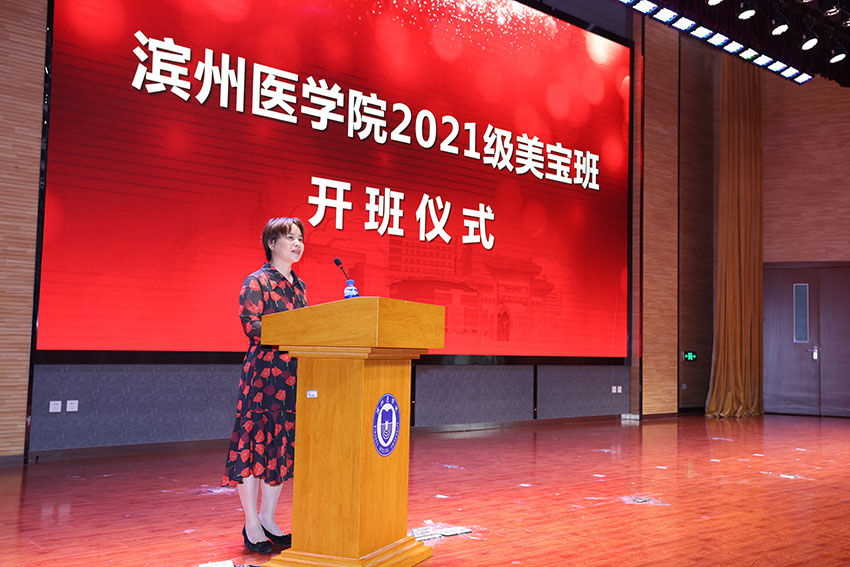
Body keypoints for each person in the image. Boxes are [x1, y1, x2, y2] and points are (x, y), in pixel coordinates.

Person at [221, 217, 308, 553]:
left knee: (279, 447)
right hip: (263, 375)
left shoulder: (299, 286)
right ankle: (252, 524)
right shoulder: (256, 281)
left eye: (300, 238)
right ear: (272, 243)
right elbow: (252, 325)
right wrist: (293, 332)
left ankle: (269, 519)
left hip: (291, 375)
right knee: (254, 445)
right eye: (290, 237)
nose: (297, 244)